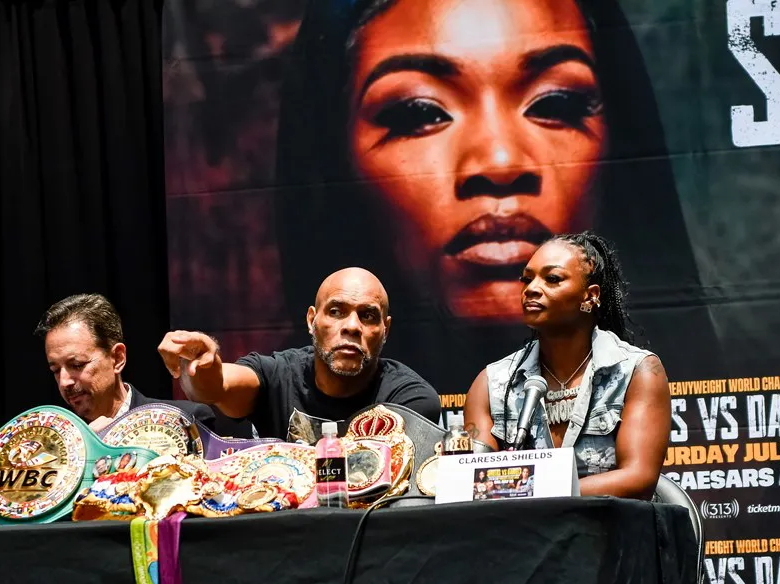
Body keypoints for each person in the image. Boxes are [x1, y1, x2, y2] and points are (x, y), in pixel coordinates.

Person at [274, 0, 715, 393]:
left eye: (555, 105)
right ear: (335, 157)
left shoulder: (648, 388)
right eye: (419, 112)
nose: (500, 163)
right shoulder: (278, 400)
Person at [463, 232, 670, 500]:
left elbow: (638, 478)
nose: (531, 289)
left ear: (590, 296)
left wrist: (535, 491)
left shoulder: (636, 372)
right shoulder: (491, 384)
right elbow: (477, 485)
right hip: (524, 537)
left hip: (610, 534)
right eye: (527, 279)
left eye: (552, 279)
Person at [158, 267, 441, 438]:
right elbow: (216, 386)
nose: (352, 327)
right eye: (336, 311)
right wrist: (200, 365)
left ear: (385, 329)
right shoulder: (279, 374)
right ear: (311, 321)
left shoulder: (408, 397)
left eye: (367, 316)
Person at [35, 294, 251, 436]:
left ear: (118, 358)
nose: (64, 381)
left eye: (76, 365)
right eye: (55, 370)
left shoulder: (184, 421)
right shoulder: (54, 442)